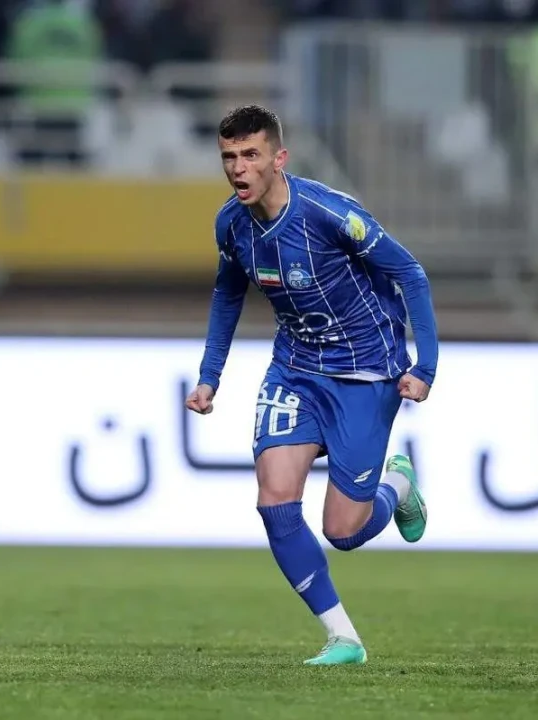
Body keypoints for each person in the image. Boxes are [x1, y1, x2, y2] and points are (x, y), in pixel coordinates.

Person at [184, 105, 438, 665]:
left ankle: (398, 485)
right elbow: (228, 294)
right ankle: (343, 637)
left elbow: (410, 273)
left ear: (279, 158)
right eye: (229, 157)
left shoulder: (328, 214)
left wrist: (425, 368)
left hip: (366, 372)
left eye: (250, 155)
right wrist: (209, 376)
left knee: (343, 531)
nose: (238, 168)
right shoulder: (231, 224)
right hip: (295, 369)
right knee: (274, 500)